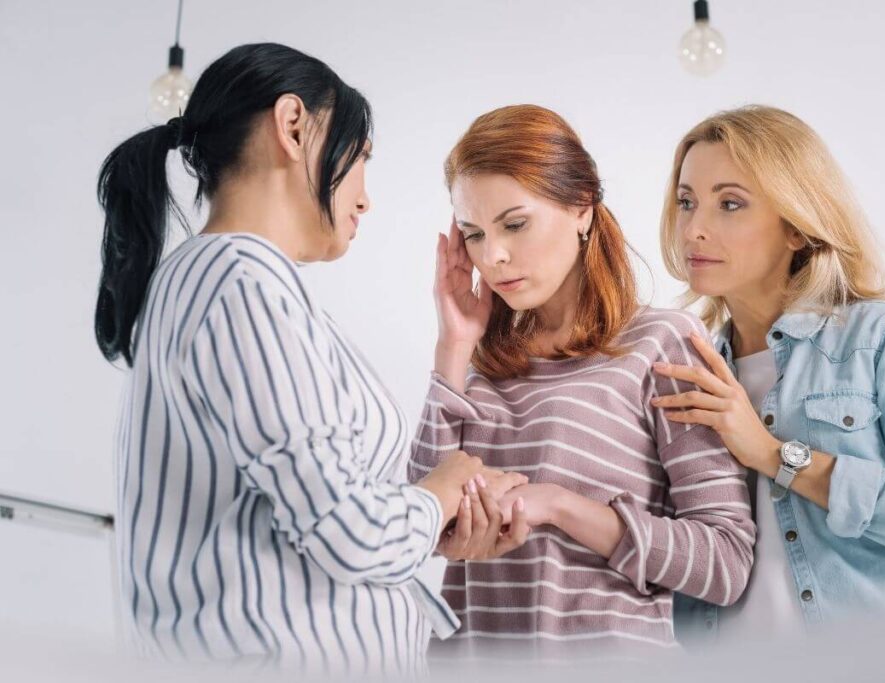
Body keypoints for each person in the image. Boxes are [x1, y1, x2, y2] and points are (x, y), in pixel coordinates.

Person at [94, 42, 524, 675]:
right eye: (362, 158)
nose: (366, 197)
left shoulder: (218, 280)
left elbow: (300, 520)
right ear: (293, 126)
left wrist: (428, 528)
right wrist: (441, 491)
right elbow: (346, 529)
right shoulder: (239, 282)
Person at [409, 105, 755, 657]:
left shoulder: (662, 345)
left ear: (581, 210)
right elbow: (417, 527)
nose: (492, 256)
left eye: (514, 224)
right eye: (473, 234)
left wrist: (558, 505)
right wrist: (453, 346)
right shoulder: (476, 368)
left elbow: (724, 562)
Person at [650, 105, 885, 642]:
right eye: (687, 202)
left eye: (730, 204)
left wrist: (772, 455)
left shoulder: (882, 338)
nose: (695, 229)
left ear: (795, 227)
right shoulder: (680, 369)